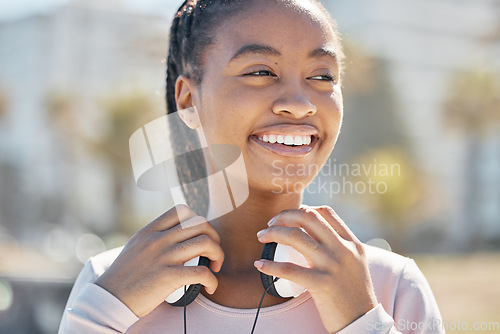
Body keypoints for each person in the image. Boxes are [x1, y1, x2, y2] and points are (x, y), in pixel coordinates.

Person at [58, 0, 445, 333]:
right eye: (261, 71)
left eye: (322, 76)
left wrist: (363, 322)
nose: (299, 102)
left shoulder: (392, 287)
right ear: (189, 100)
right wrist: (98, 315)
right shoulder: (111, 283)